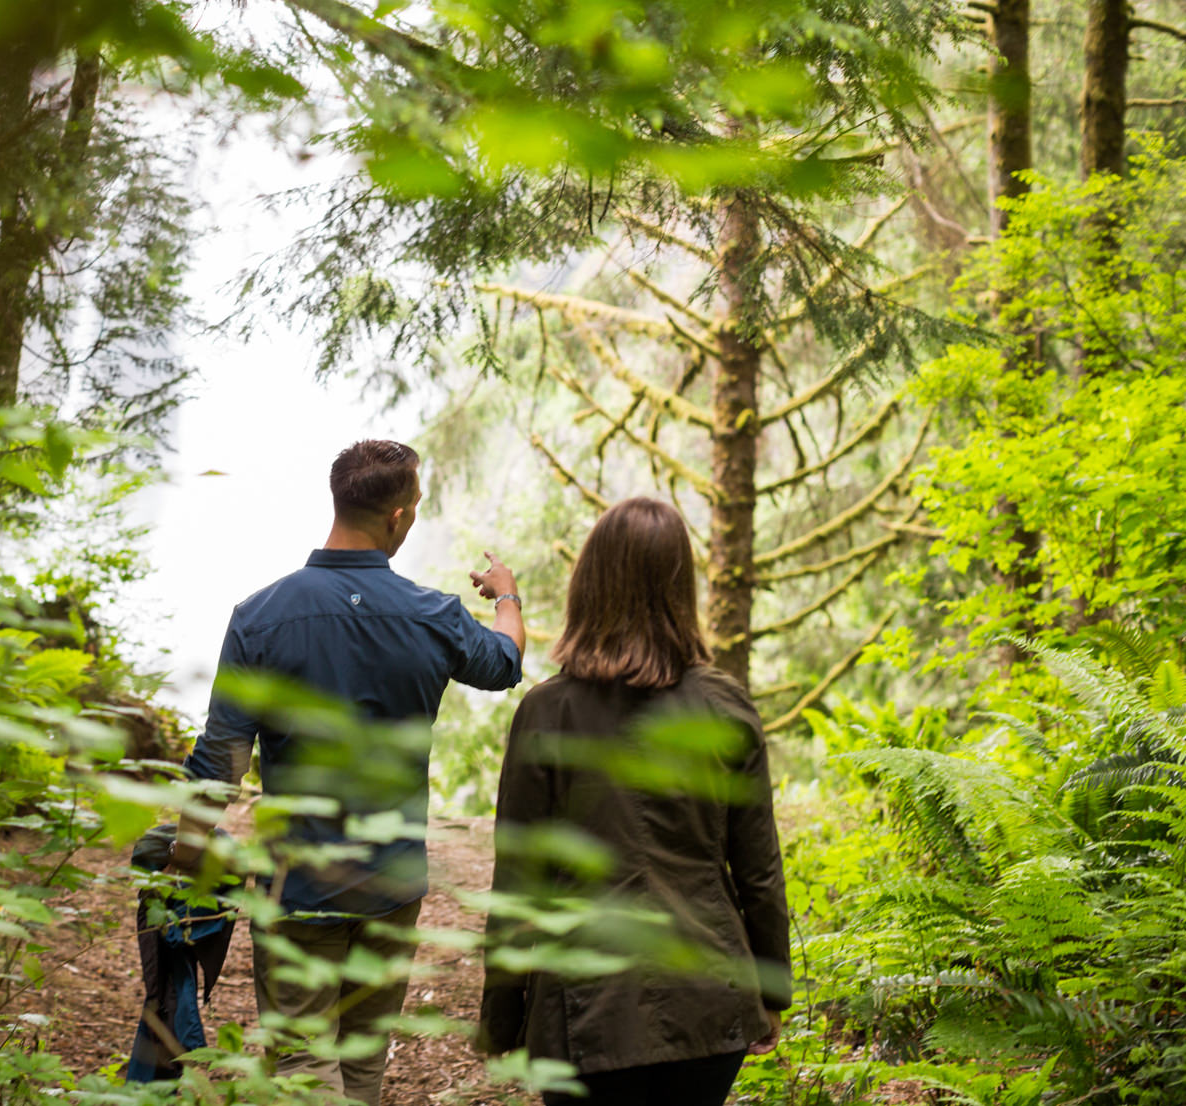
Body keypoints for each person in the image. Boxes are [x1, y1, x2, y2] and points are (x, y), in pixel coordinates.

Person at [172, 439, 527, 1105]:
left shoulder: (261, 616)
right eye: (416, 506)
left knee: (302, 1059)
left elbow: (222, 759)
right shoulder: (434, 615)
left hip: (299, 883)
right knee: (363, 1058)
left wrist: (185, 851)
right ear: (398, 516)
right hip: (393, 885)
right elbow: (503, 663)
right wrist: (507, 595)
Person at [477, 496, 790, 1106]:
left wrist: (501, 1014)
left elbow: (519, 878)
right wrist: (770, 990)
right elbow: (758, 870)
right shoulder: (725, 703)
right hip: (709, 997)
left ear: (589, 584)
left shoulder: (547, 711)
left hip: (583, 1009)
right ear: (682, 588)